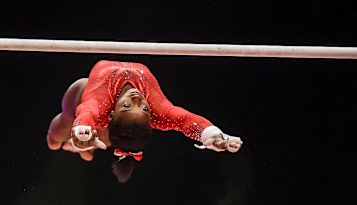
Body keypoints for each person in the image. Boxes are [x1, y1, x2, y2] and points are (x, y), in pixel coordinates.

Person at [46, 60, 243, 182]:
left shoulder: (101, 103)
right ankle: (88, 147)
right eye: (144, 109)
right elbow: (185, 120)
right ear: (152, 119)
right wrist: (211, 135)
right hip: (100, 122)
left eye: (127, 106)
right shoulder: (158, 111)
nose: (137, 99)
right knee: (62, 142)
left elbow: (87, 110)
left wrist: (81, 130)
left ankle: (87, 145)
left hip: (81, 100)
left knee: (54, 141)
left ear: (112, 115)